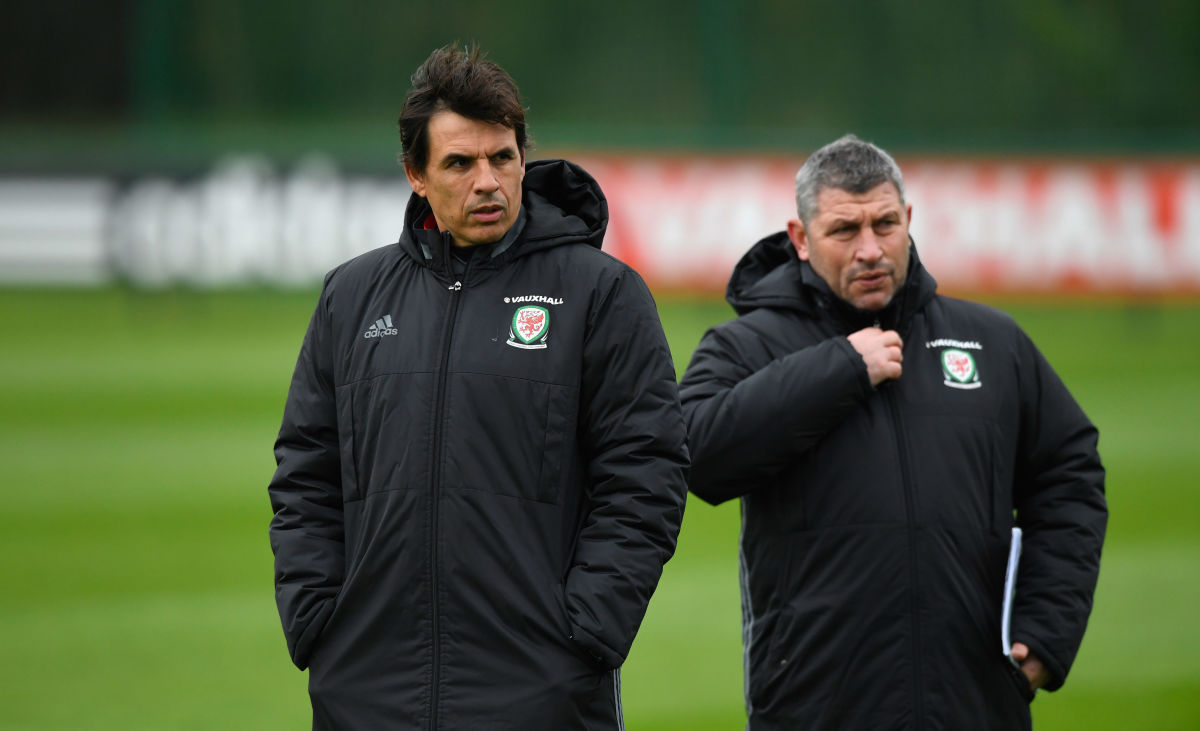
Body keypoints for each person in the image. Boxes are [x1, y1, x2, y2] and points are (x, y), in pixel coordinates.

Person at [268, 44, 688, 729]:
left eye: (502, 156)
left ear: (525, 157)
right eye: (460, 163)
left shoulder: (601, 293)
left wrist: (585, 632)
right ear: (416, 174)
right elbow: (307, 472)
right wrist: (317, 618)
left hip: (542, 691)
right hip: (369, 691)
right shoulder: (350, 296)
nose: (487, 181)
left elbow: (648, 473)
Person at [679, 134, 1106, 729]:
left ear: (908, 220)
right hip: (818, 707)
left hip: (975, 703)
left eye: (885, 224)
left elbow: (1070, 475)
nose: (871, 249)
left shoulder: (992, 340)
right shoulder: (746, 346)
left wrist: (1047, 628)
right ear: (800, 239)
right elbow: (694, 452)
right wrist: (842, 370)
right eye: (845, 231)